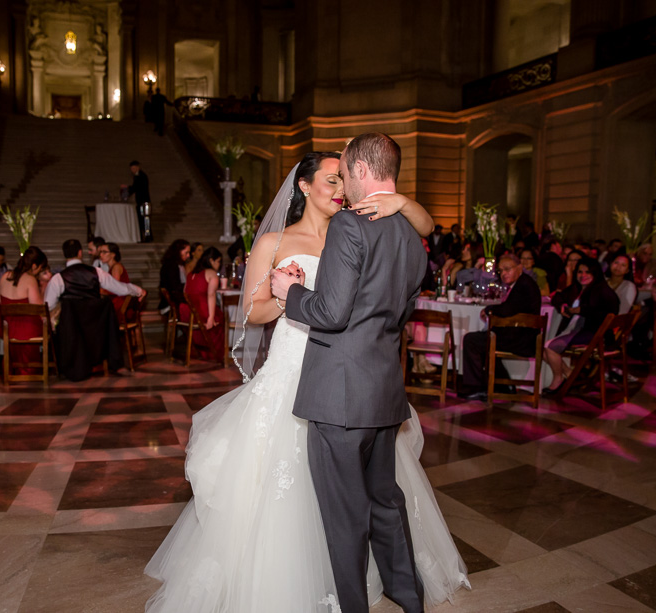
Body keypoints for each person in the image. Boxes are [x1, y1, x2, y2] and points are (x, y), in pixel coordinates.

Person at [145, 149, 467, 613]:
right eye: (330, 180)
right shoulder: (275, 241)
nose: (340, 190)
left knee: (366, 495)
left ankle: (364, 585)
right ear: (303, 186)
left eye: (343, 180)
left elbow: (421, 228)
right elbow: (251, 316)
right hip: (294, 371)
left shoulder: (358, 226)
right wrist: (283, 294)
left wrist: (402, 203)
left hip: (346, 377)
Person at [44, 239, 146, 380]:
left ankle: (69, 365)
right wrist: (138, 290)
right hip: (97, 329)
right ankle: (114, 363)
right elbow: (119, 288)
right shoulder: (96, 272)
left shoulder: (58, 278)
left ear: (64, 255)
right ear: (80, 253)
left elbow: (48, 305)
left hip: (73, 331)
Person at [460, 253, 542, 400]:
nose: (503, 274)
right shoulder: (522, 283)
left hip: (521, 339)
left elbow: (508, 310)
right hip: (518, 336)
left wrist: (488, 310)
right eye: (500, 271)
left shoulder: (524, 285)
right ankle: (504, 386)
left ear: (519, 268)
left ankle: (475, 387)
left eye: (507, 269)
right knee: (485, 340)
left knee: (471, 340)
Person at [543, 257, 619, 393]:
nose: (583, 275)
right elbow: (557, 296)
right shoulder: (576, 288)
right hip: (575, 330)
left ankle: (558, 378)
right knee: (542, 349)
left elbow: (609, 311)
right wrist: (562, 305)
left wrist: (581, 310)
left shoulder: (602, 291)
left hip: (594, 334)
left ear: (595, 274)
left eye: (587, 272)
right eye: (580, 272)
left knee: (549, 347)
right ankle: (571, 375)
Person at [0, 247, 48, 375]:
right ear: (34, 266)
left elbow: (0, 303)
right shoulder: (30, 280)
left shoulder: (4, 276)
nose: (39, 271)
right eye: (41, 268)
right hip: (27, 329)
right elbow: (38, 309)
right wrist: (44, 287)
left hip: (7, 327)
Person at [184, 246, 224, 360]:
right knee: (221, 317)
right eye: (218, 261)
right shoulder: (211, 273)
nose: (219, 265)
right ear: (211, 260)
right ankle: (214, 354)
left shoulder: (191, 273)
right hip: (202, 313)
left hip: (189, 313)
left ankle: (202, 351)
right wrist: (211, 317)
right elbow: (211, 295)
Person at [98, 242, 135, 317]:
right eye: (100, 252)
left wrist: (100, 290)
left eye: (104, 252)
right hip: (116, 302)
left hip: (119, 304)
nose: (101, 255)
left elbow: (115, 288)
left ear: (113, 254)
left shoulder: (116, 267)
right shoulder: (113, 267)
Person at [157, 239, 190, 315]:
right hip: (172, 304)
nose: (188, 255)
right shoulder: (171, 265)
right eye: (186, 252)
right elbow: (174, 287)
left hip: (175, 301)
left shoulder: (177, 264)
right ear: (178, 251)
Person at [128, 160, 152, 241]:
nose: (133, 170)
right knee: (142, 220)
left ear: (138, 167)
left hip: (144, 202)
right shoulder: (137, 176)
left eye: (134, 168)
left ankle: (147, 237)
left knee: (145, 220)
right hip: (141, 202)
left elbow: (136, 187)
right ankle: (144, 236)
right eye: (132, 169)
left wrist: (128, 188)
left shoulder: (141, 176)